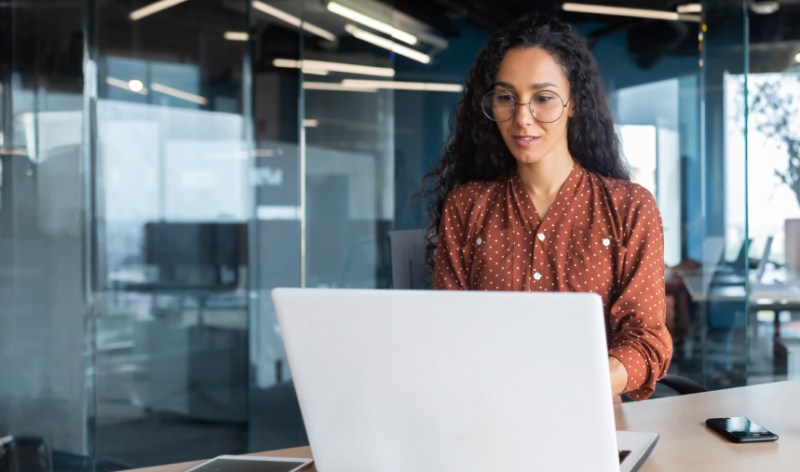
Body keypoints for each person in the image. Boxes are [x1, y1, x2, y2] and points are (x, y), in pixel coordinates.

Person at [424, 13, 672, 401]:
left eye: (543, 98)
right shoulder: (466, 207)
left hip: (592, 422)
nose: (522, 118)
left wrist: (571, 387)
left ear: (574, 103)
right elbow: (447, 332)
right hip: (486, 415)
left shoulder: (629, 207)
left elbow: (646, 340)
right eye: (506, 98)